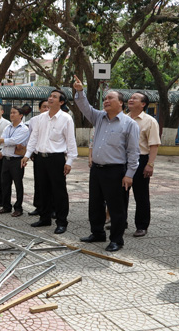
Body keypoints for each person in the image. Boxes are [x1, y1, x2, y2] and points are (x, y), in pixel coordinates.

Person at [73, 75, 140, 252]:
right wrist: (80, 91)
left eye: (110, 98)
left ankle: (116, 239)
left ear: (121, 103)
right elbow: (84, 107)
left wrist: (129, 174)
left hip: (116, 171)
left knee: (117, 207)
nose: (106, 101)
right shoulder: (99, 117)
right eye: (105, 99)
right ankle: (97, 233)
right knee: (95, 204)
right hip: (97, 169)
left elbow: (133, 152)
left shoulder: (129, 124)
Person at [21, 89, 77, 235]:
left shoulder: (66, 118)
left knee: (59, 192)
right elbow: (34, 137)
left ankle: (61, 222)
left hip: (56, 158)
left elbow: (71, 141)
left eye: (54, 97)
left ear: (61, 102)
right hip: (40, 158)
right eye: (50, 96)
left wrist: (69, 161)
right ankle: (44, 218)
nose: (50, 99)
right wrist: (27, 155)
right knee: (42, 189)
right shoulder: (40, 118)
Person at [127, 91, 161, 237]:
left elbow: (154, 145)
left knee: (141, 195)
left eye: (135, 98)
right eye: (131, 97)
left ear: (143, 104)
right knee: (120, 194)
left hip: (141, 160)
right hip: (123, 160)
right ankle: (120, 222)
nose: (131, 99)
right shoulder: (123, 118)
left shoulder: (150, 121)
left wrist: (150, 164)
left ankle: (142, 225)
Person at [0, 106, 30, 216]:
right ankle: (6, 206)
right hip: (6, 159)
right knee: (5, 183)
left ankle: (18, 208)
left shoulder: (24, 129)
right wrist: (5, 144)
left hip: (17, 160)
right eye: (11, 113)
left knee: (18, 185)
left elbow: (15, 140)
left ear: (20, 115)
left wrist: (5, 141)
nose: (11, 114)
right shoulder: (8, 127)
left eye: (14, 113)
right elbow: (4, 140)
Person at [26, 100, 49, 216]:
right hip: (37, 154)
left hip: (52, 155)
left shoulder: (58, 119)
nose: (46, 109)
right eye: (44, 107)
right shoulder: (34, 121)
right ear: (39, 109)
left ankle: (53, 208)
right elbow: (31, 136)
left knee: (52, 184)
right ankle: (39, 207)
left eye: (48, 107)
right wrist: (29, 153)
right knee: (39, 182)